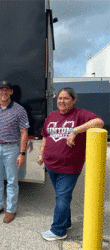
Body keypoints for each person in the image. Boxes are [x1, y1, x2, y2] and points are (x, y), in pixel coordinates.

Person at [37, 87, 104, 241]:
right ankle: (66, 223)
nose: (62, 101)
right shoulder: (52, 116)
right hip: (51, 165)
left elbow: (99, 122)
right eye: (60, 98)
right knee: (62, 197)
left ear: (73, 100)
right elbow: (45, 137)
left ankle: (58, 231)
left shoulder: (80, 115)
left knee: (62, 198)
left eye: (66, 98)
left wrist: (75, 131)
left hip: (69, 167)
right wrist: (41, 155)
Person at [0, 80, 29, 223]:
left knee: (11, 181)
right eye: (1, 90)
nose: (4, 92)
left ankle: (11, 210)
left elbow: (24, 132)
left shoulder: (19, 110)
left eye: (7, 90)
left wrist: (22, 153)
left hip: (11, 148)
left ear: (11, 92)